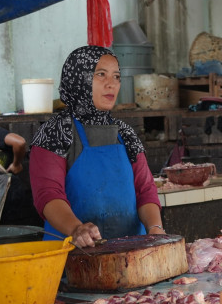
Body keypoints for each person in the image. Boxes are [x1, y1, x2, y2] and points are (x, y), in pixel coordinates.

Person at [29, 46, 164, 248]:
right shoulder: (56, 131)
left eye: (117, 77)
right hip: (72, 257)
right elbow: (48, 195)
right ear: (79, 78)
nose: (112, 84)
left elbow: (145, 190)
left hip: (131, 255)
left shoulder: (125, 133)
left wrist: (155, 229)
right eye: (101, 74)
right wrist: (76, 229)